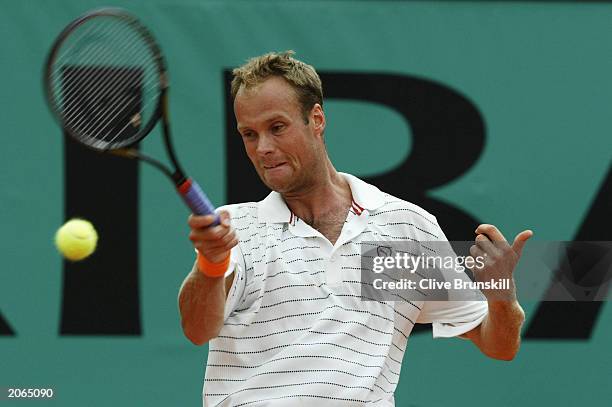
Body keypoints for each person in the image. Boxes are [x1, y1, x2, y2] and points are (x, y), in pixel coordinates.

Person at [178, 50, 531, 407]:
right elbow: (197, 329)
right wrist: (211, 262)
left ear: (316, 119)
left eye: (277, 127)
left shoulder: (404, 228)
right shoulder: (237, 228)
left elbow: (499, 346)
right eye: (249, 134)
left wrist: (500, 293)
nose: (263, 148)